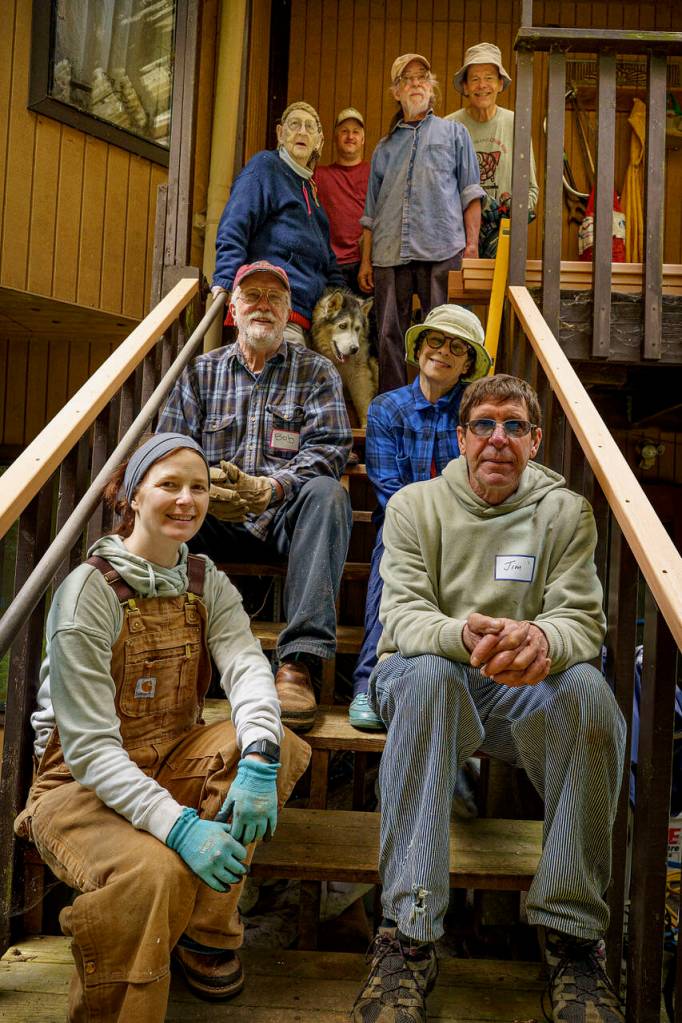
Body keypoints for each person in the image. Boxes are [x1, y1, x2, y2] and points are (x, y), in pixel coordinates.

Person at [351, 375, 626, 1023]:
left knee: (588, 692)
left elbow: (581, 620)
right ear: (461, 437)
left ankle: (572, 935)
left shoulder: (563, 512)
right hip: (425, 671)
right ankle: (407, 933)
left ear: (535, 441)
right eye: (484, 424)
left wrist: (543, 638)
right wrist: (462, 632)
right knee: (427, 676)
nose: (497, 438)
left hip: (517, 684)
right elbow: (406, 616)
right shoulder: (415, 506)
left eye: (514, 426)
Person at [14, 433, 311, 1022]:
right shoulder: (86, 595)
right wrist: (179, 829)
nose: (186, 500)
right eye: (168, 485)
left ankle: (204, 931)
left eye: (198, 488)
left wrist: (259, 754)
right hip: (78, 786)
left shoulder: (204, 579)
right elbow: (93, 752)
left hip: (170, 755)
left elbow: (249, 666)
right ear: (133, 496)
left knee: (281, 746)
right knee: (153, 870)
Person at [157, 261, 353, 733]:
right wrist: (205, 489)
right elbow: (168, 447)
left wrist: (272, 487)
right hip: (215, 520)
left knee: (329, 495)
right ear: (233, 310)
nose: (262, 305)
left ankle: (297, 665)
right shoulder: (201, 373)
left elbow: (330, 448)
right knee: (164, 501)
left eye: (274, 298)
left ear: (289, 313)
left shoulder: (317, 372)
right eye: (252, 296)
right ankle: (169, 655)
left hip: (286, 517)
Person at [348, 304, 491, 730]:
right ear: (420, 347)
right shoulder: (386, 409)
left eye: (458, 347)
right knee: (392, 543)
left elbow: (479, 485)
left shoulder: (474, 416)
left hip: (463, 527)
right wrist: (426, 529)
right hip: (401, 524)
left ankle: (469, 690)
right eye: (436, 340)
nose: (443, 351)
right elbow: (389, 489)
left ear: (466, 363)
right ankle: (367, 683)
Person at [358, 53, 485, 393]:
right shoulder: (384, 148)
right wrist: (366, 260)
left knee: (445, 334)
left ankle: (442, 403)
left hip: (443, 248)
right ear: (396, 92)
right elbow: (371, 211)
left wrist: (471, 247)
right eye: (406, 79)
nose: (415, 84)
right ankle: (393, 405)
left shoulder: (455, 133)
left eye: (422, 78)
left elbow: (471, 194)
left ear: (432, 89)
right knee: (388, 334)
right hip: (388, 253)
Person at [211, 101, 347, 340]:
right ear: (280, 134)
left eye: (309, 127)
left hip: (309, 319)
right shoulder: (266, 167)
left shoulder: (310, 191)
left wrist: (343, 297)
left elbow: (328, 260)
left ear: (319, 141)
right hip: (271, 314)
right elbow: (235, 223)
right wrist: (224, 279)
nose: (302, 131)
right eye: (294, 124)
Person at [446, 43, 539, 258]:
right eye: (475, 79)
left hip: (504, 237)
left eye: (489, 77)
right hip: (458, 239)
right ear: (465, 87)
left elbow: (531, 189)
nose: (482, 85)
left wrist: (514, 210)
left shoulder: (517, 124)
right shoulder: (449, 127)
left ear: (499, 84)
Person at [314, 107, 370, 295]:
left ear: (363, 139)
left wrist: (367, 262)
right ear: (335, 137)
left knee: (366, 323)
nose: (350, 136)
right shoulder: (318, 175)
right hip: (329, 265)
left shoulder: (374, 173)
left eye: (356, 132)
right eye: (344, 131)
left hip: (364, 265)